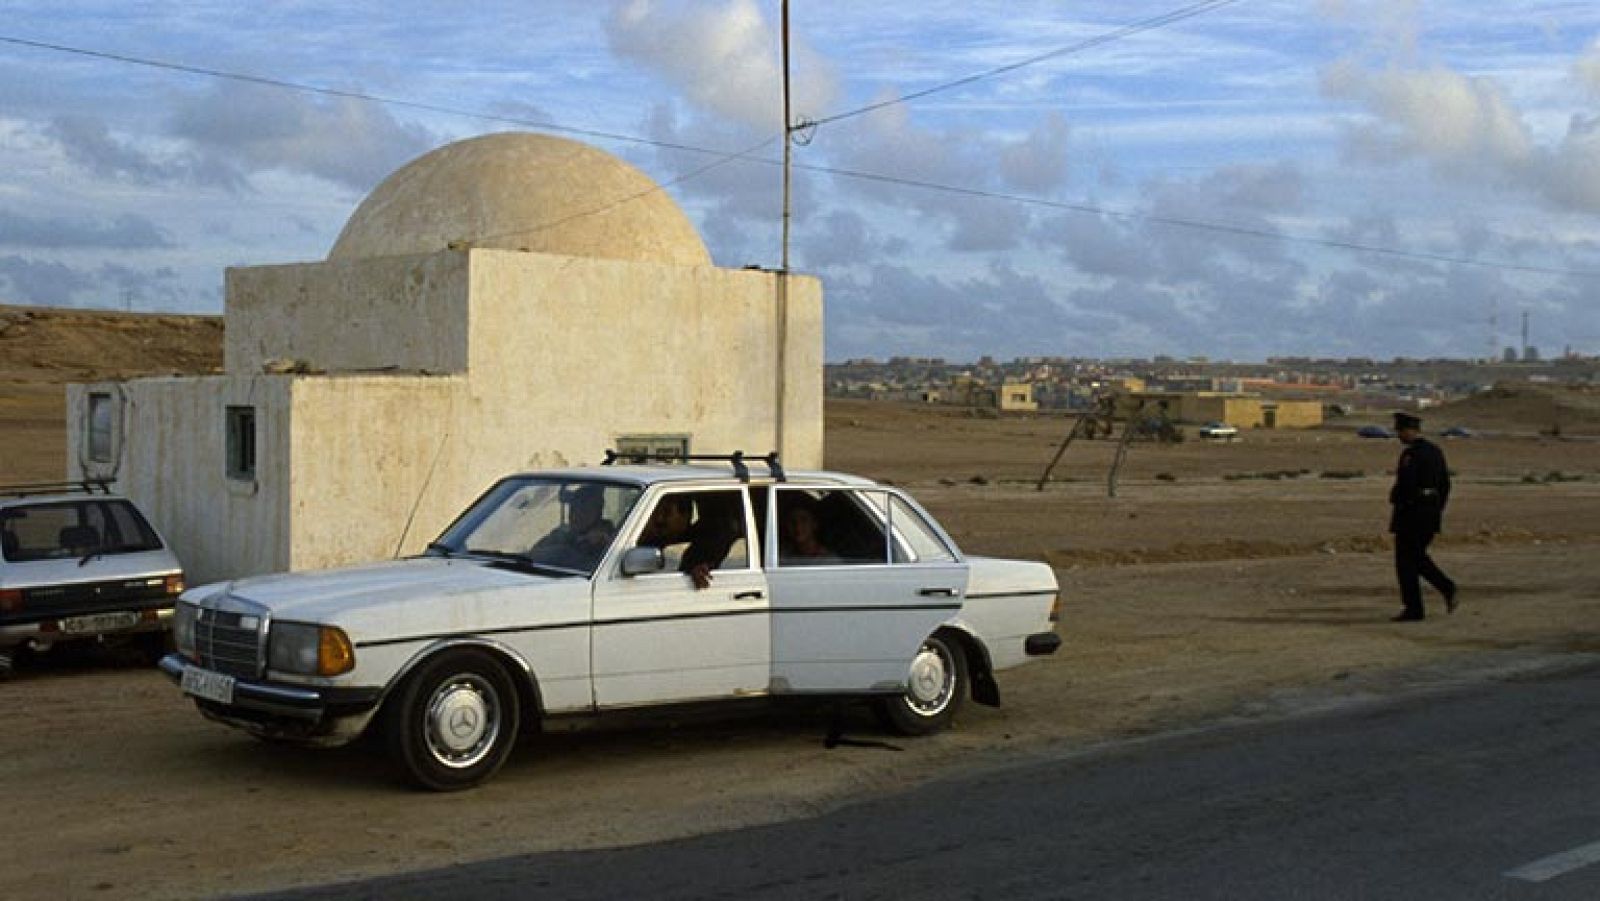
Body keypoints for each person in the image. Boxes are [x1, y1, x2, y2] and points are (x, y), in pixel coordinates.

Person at [1388, 411, 1458, 621]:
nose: (1399, 435)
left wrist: (1397, 498)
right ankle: (1415, 607)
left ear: (1410, 431)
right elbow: (1445, 485)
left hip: (1412, 514)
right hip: (1428, 512)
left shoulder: (1412, 455)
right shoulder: (1435, 451)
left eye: (1400, 431)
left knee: (1410, 559)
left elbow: (1406, 485)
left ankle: (1444, 588)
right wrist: (1437, 509)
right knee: (1412, 559)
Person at [635, 493, 734, 589]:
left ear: (685, 516)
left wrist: (696, 569)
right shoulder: (644, 539)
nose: (659, 519)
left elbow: (706, 567)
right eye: (654, 512)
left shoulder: (709, 542)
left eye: (666, 512)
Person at [530, 484, 615, 571]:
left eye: (584, 510)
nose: (575, 515)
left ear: (598, 512)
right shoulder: (562, 533)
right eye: (573, 509)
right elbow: (533, 555)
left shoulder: (611, 541)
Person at [779, 498, 840, 565]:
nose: (798, 527)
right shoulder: (781, 556)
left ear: (814, 524)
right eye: (792, 521)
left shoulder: (829, 560)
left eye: (804, 520)